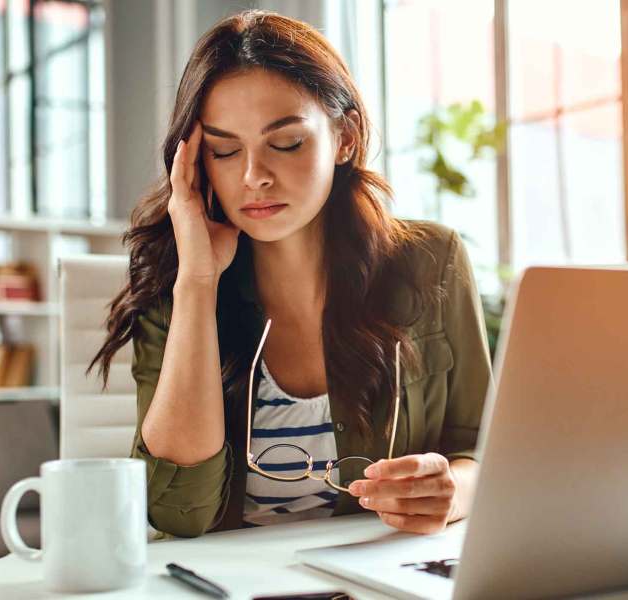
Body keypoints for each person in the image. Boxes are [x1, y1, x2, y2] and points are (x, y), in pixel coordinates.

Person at [89, 9, 491, 538]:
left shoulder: (431, 261)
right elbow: (179, 511)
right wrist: (197, 283)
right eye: (225, 150)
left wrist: (453, 491)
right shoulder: (176, 282)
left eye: (286, 143)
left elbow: (484, 450)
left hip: (374, 582)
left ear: (344, 137)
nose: (254, 176)